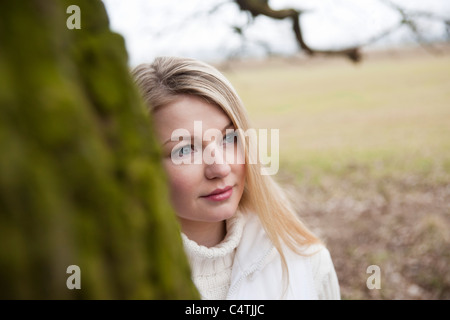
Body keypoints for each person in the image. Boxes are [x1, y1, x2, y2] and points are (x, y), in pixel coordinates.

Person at [131, 56, 340, 300]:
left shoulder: (305, 263)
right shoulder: (108, 280)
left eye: (229, 138)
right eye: (185, 150)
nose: (219, 168)